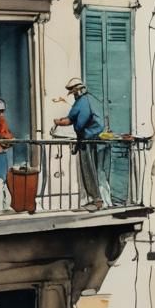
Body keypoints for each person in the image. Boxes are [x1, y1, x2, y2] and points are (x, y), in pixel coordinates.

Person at [54, 77, 110, 211]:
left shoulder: (83, 101)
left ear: (78, 90)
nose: (73, 95)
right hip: (99, 141)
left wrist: (59, 122)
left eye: (73, 92)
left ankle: (97, 200)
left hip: (89, 140)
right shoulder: (90, 99)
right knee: (99, 172)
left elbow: (77, 122)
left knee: (89, 171)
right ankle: (102, 201)